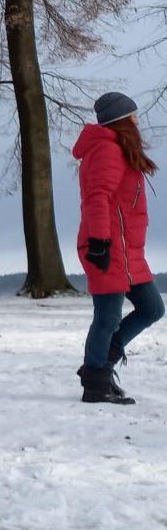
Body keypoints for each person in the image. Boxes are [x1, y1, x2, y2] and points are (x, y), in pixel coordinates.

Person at [75, 92, 164, 405]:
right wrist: (100, 242)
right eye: (133, 115)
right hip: (107, 247)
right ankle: (95, 383)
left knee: (153, 308)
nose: (138, 120)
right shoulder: (107, 150)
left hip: (128, 252)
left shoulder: (119, 150)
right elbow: (96, 197)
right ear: (122, 120)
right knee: (107, 317)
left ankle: (102, 362)